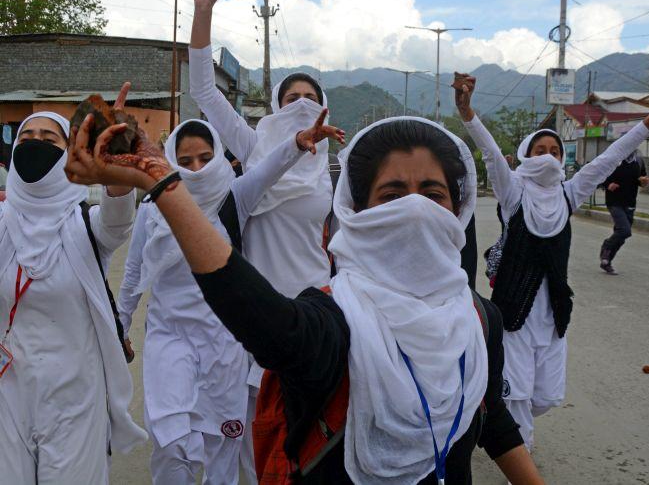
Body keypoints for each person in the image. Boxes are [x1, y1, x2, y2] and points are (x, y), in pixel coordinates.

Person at [66, 114, 545, 484]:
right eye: (393, 192)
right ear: (355, 210)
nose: (414, 207)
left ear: (457, 208)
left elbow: (494, 419)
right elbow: (260, 318)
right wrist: (162, 185)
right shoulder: (334, 317)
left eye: (431, 193)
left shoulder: (480, 319)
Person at [117, 115, 342, 485]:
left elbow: (268, 170)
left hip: (225, 342)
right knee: (172, 443)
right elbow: (132, 274)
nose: (196, 169)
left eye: (205, 158)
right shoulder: (152, 209)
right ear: (171, 160)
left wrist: (298, 142)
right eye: (185, 161)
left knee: (222, 446)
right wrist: (120, 326)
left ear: (219, 157)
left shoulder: (231, 199)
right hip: (169, 337)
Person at [454, 74, 649, 452]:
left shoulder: (569, 196)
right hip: (513, 314)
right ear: (525, 155)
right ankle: (520, 453)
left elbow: (610, 157)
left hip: (554, 314)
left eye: (555, 150)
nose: (550, 156)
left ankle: (496, 418)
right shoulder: (513, 192)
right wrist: (467, 111)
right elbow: (489, 152)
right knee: (518, 394)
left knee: (545, 398)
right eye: (540, 150)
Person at [188, 0, 344, 480]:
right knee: (260, 439)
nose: (300, 102)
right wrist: (204, 7)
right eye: (289, 96)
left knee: (313, 435)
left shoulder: (331, 173)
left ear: (323, 109)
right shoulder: (253, 147)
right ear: (276, 105)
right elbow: (205, 91)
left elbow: (345, 240)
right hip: (260, 305)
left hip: (317, 305)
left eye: (309, 96)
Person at [0, 106, 147, 483]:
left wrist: (116, 171)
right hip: (8, 392)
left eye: (49, 140)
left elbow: (117, 221)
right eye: (27, 139)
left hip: (74, 397)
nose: (36, 145)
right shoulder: (2, 223)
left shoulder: (84, 224)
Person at [598, 149, 649, 274]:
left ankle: (607, 261)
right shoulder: (614, 159)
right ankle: (607, 246)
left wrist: (643, 182)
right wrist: (607, 184)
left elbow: (641, 179)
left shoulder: (638, 161)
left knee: (621, 236)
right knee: (625, 230)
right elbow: (601, 175)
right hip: (614, 201)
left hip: (630, 202)